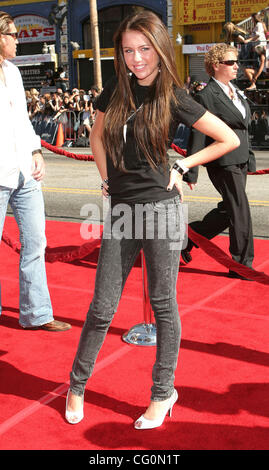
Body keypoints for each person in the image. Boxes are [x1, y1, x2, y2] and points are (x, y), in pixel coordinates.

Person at [65, 11, 239, 428]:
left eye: (144, 49)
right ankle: (76, 385)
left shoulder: (174, 96)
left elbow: (227, 138)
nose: (136, 58)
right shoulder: (116, 90)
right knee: (102, 307)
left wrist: (182, 168)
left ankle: (163, 393)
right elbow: (95, 135)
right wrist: (106, 181)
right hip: (123, 210)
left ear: (160, 50)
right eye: (128, 50)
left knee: (163, 305)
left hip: (161, 209)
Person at [0, 11, 71, 332]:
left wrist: (36, 151)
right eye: (12, 35)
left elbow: (23, 122)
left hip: (25, 172)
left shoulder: (13, 73)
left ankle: (37, 313)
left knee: (36, 242)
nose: (17, 40)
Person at [181, 43, 256, 280]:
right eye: (231, 62)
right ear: (216, 66)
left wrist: (250, 156)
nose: (237, 66)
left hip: (240, 157)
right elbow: (198, 132)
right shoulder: (206, 96)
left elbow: (243, 126)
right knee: (240, 209)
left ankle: (191, 236)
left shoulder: (236, 91)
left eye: (236, 62)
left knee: (229, 210)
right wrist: (190, 170)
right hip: (222, 159)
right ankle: (241, 264)